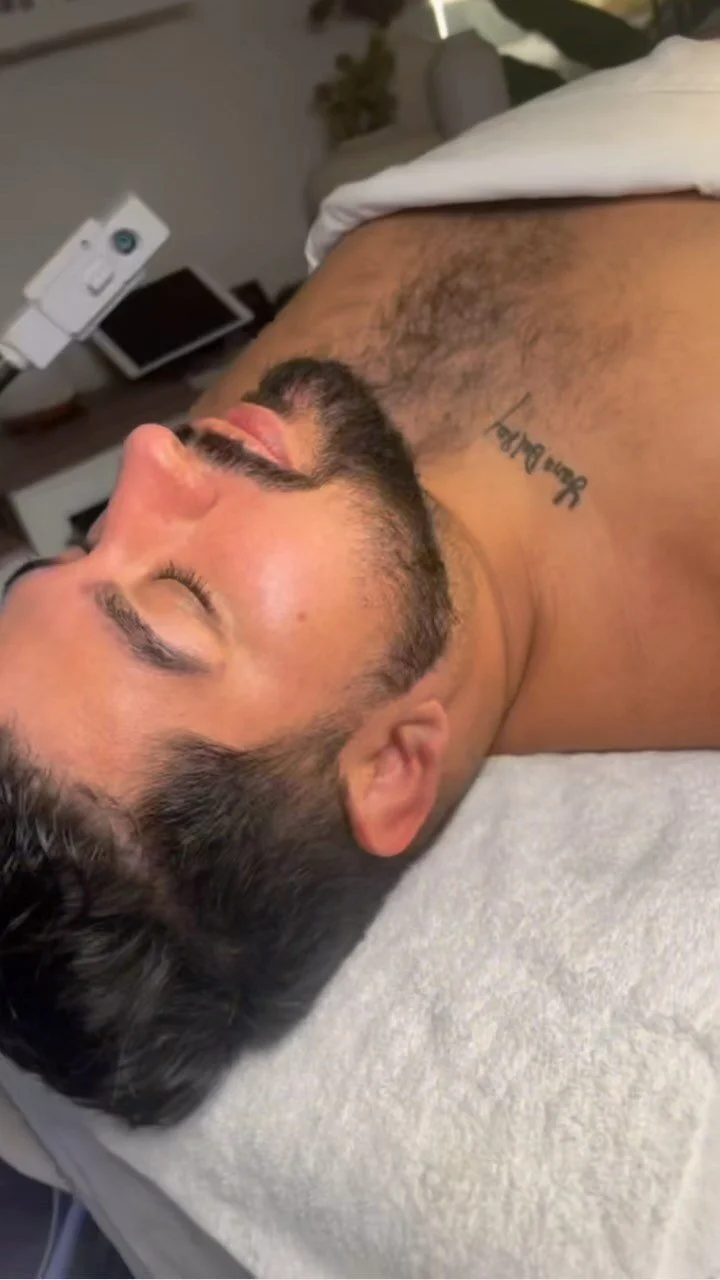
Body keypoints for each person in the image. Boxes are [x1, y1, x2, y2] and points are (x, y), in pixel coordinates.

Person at [0, 33, 718, 1127]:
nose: (150, 457)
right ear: (390, 764)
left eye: (83, 546)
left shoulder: (272, 433)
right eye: (175, 600)